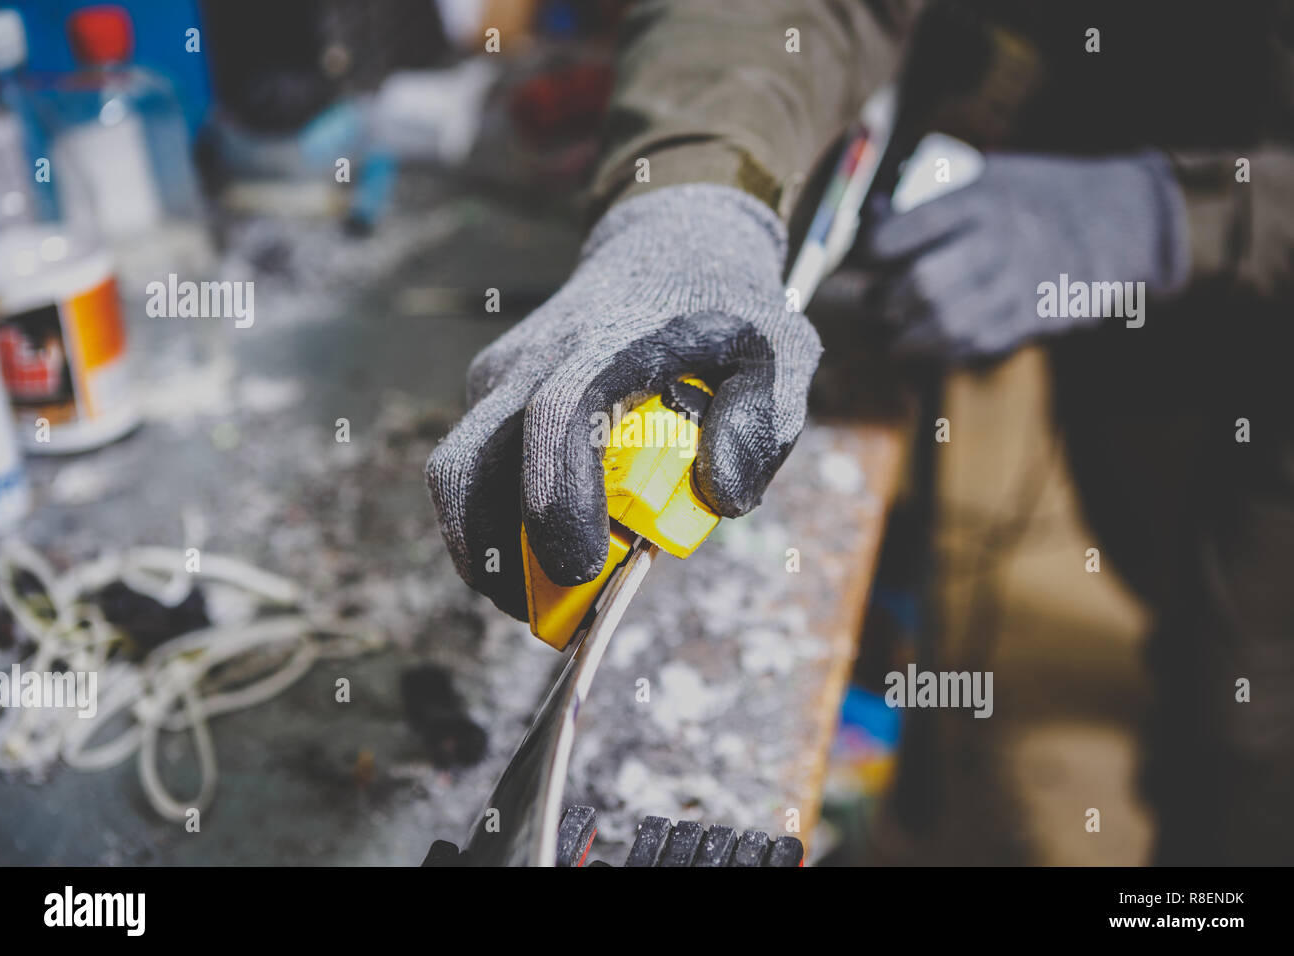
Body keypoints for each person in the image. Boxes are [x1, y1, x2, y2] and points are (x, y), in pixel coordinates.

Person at [427, 0, 1294, 864]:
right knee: (1173, 588)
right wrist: (690, 206)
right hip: (1127, 297)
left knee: (1246, 726)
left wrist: (1187, 214)